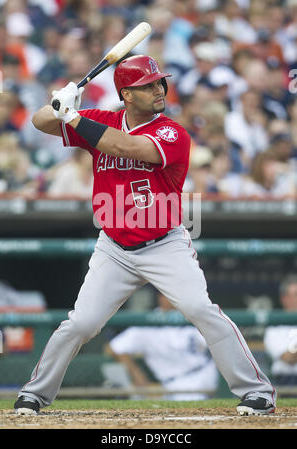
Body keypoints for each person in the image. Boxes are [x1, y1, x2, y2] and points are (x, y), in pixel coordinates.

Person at [14, 54, 276, 417]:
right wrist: (60, 102)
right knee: (82, 323)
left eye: (158, 83)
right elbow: (39, 121)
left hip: (164, 243)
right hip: (114, 248)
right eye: (147, 86)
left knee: (202, 309)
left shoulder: (171, 132)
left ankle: (257, 391)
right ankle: (34, 394)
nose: (158, 90)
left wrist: (73, 116)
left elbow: (125, 147)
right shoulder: (100, 120)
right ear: (126, 95)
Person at [107, 292, 219, 400]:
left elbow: (215, 342)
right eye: (168, 295)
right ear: (160, 298)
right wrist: (137, 375)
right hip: (180, 383)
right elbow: (113, 348)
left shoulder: (190, 316)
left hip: (207, 371)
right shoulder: (147, 324)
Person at [264, 275, 297, 387]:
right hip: (286, 382)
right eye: (295, 294)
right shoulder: (274, 326)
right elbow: (289, 358)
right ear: (284, 298)